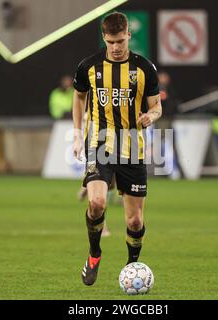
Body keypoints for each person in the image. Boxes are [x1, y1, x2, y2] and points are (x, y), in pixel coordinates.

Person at [72, 12, 162, 286]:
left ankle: (131, 268)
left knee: (135, 222)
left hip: (133, 147)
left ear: (128, 36)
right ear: (104, 37)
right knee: (97, 202)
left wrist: (151, 116)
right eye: (111, 41)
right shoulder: (89, 66)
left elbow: (157, 105)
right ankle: (94, 253)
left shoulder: (144, 68)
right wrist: (77, 134)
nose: (116, 47)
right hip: (99, 142)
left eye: (120, 40)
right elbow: (78, 97)